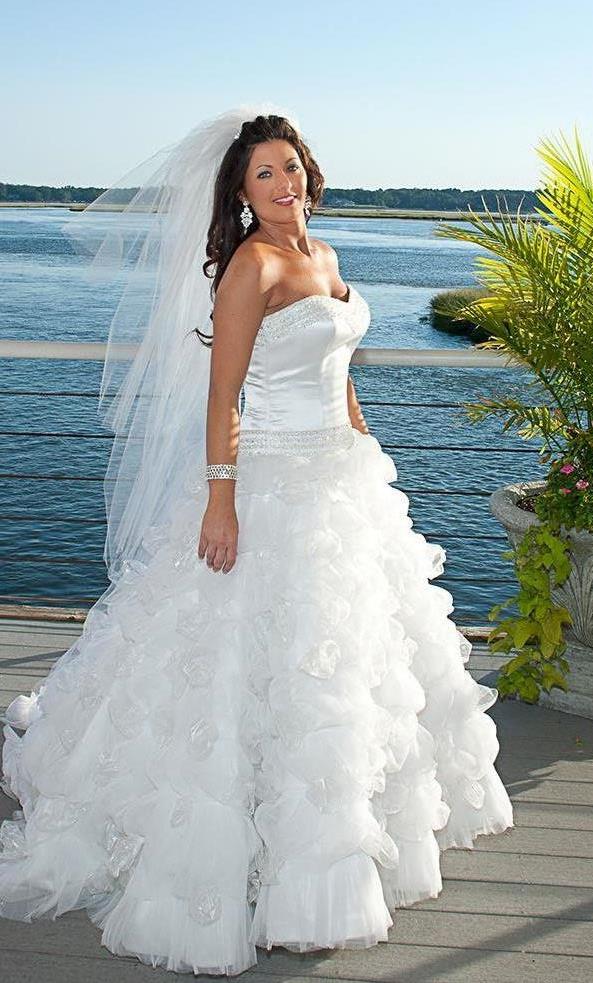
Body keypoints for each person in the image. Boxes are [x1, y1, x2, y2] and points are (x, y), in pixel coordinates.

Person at [0, 105, 514, 977]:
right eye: (263, 174)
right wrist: (221, 502)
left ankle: (337, 846)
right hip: (269, 484)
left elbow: (337, 371)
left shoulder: (327, 254)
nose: (282, 184)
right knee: (253, 657)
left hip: (341, 479)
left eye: (289, 167)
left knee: (341, 664)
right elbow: (222, 396)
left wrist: (364, 445)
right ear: (241, 194)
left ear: (309, 173)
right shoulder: (252, 265)